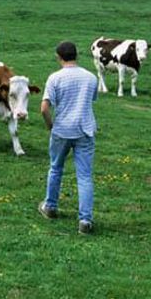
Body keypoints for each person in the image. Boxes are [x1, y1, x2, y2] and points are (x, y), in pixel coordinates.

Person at [38, 41, 99, 234]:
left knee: (56, 168)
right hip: (85, 129)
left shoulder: (55, 78)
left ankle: (50, 207)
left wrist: (51, 126)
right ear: (76, 55)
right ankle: (85, 220)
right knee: (84, 176)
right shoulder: (90, 77)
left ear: (59, 57)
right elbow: (91, 100)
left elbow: (44, 108)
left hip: (62, 130)